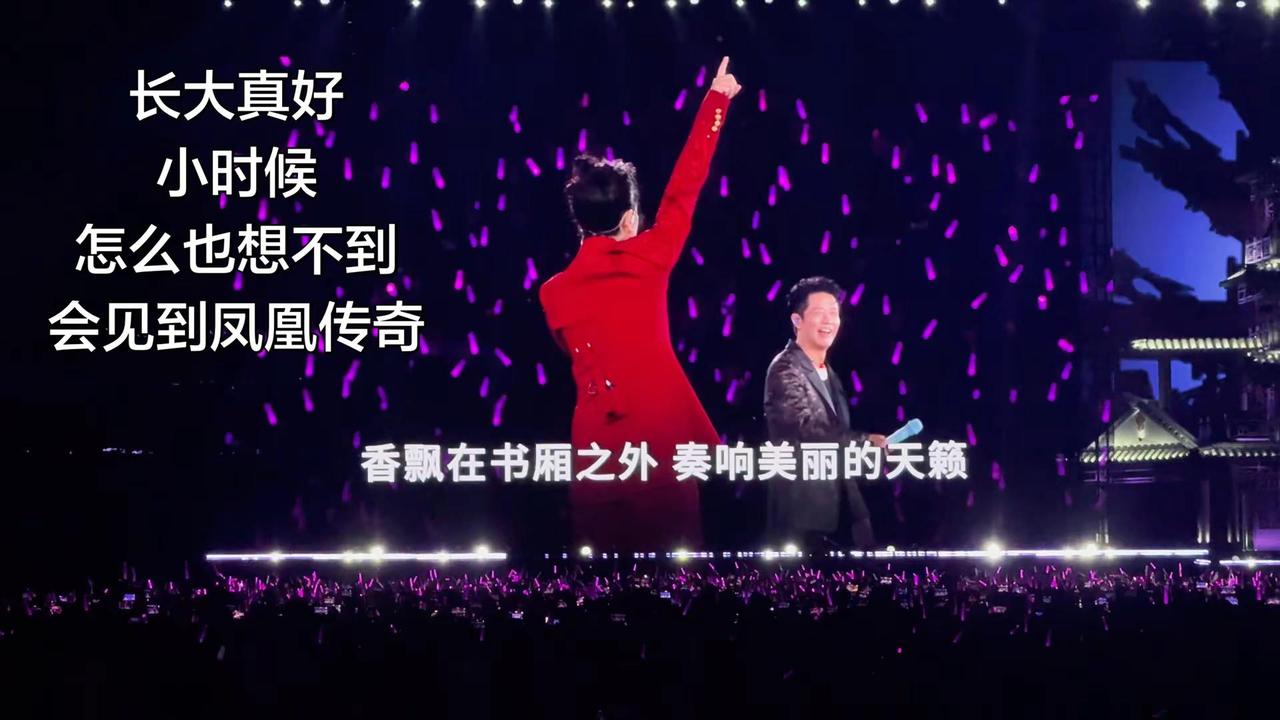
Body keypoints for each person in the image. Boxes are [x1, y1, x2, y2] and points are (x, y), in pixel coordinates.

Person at [539, 57, 742, 550]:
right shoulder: (650, 258)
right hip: (660, 442)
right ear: (630, 219)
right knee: (675, 575)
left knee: (600, 580)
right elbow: (685, 187)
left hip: (597, 450)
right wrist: (716, 101)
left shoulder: (553, 292)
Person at [764, 276, 887, 550]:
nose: (829, 320)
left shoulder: (829, 373)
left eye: (834, 312)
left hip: (841, 503)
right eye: (819, 312)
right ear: (797, 320)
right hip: (805, 508)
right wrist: (863, 441)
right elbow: (806, 430)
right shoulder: (785, 369)